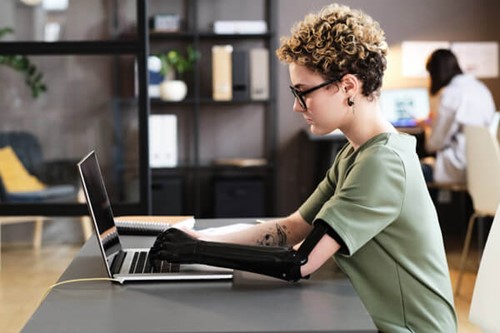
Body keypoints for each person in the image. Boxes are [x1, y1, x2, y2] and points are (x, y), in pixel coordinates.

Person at [150, 4, 457, 332]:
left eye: (303, 92)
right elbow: (292, 227)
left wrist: (197, 251)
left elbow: (300, 262)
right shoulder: (356, 153)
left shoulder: (383, 164)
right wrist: (199, 236)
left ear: (348, 87)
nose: (297, 106)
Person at [420, 49, 496, 183]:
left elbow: (434, 144)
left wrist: (428, 127)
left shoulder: (451, 94)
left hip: (458, 166)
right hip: (485, 163)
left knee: (411, 170)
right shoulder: (480, 88)